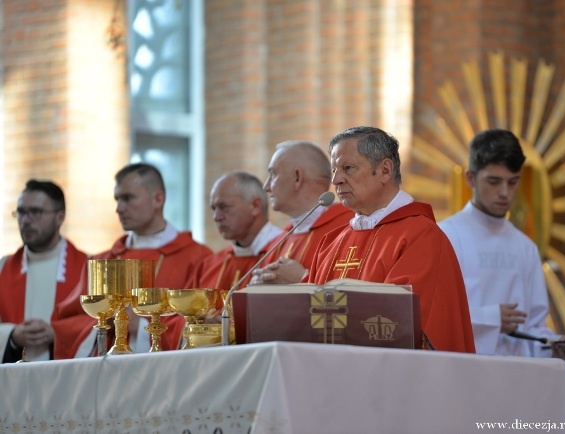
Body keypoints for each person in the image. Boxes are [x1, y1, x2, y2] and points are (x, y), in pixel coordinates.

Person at [255, 126, 475, 353]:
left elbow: (405, 321)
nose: (336, 179)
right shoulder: (334, 242)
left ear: (385, 170)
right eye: (334, 170)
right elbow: (308, 315)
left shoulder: (421, 236)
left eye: (347, 168)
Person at [438, 128, 565, 360]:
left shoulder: (525, 247)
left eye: (513, 182)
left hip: (517, 375)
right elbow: (434, 318)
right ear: (470, 178)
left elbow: (533, 329)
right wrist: (490, 318)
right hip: (464, 372)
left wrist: (552, 344)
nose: (504, 192)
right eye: (494, 181)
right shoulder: (446, 236)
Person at [52, 163, 212, 358]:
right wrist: (105, 321)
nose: (119, 208)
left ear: (158, 199)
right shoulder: (101, 262)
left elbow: (206, 324)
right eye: (117, 199)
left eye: (128, 198)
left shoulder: (198, 258)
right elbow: (67, 324)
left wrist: (142, 325)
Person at [0, 180, 88, 363]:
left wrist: (60, 334)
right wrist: (12, 335)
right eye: (22, 212)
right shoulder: (3, 267)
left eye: (36, 212)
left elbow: (100, 325)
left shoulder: (87, 266)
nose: (25, 220)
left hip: (68, 379)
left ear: (60, 217)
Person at [254, 140, 353, 277]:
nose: (266, 187)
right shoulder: (279, 241)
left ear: (297, 178)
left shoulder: (350, 227)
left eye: (273, 174)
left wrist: (302, 278)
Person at [186, 171, 283, 291]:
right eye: (213, 209)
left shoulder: (286, 254)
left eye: (224, 207)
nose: (216, 217)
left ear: (255, 206)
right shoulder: (208, 266)